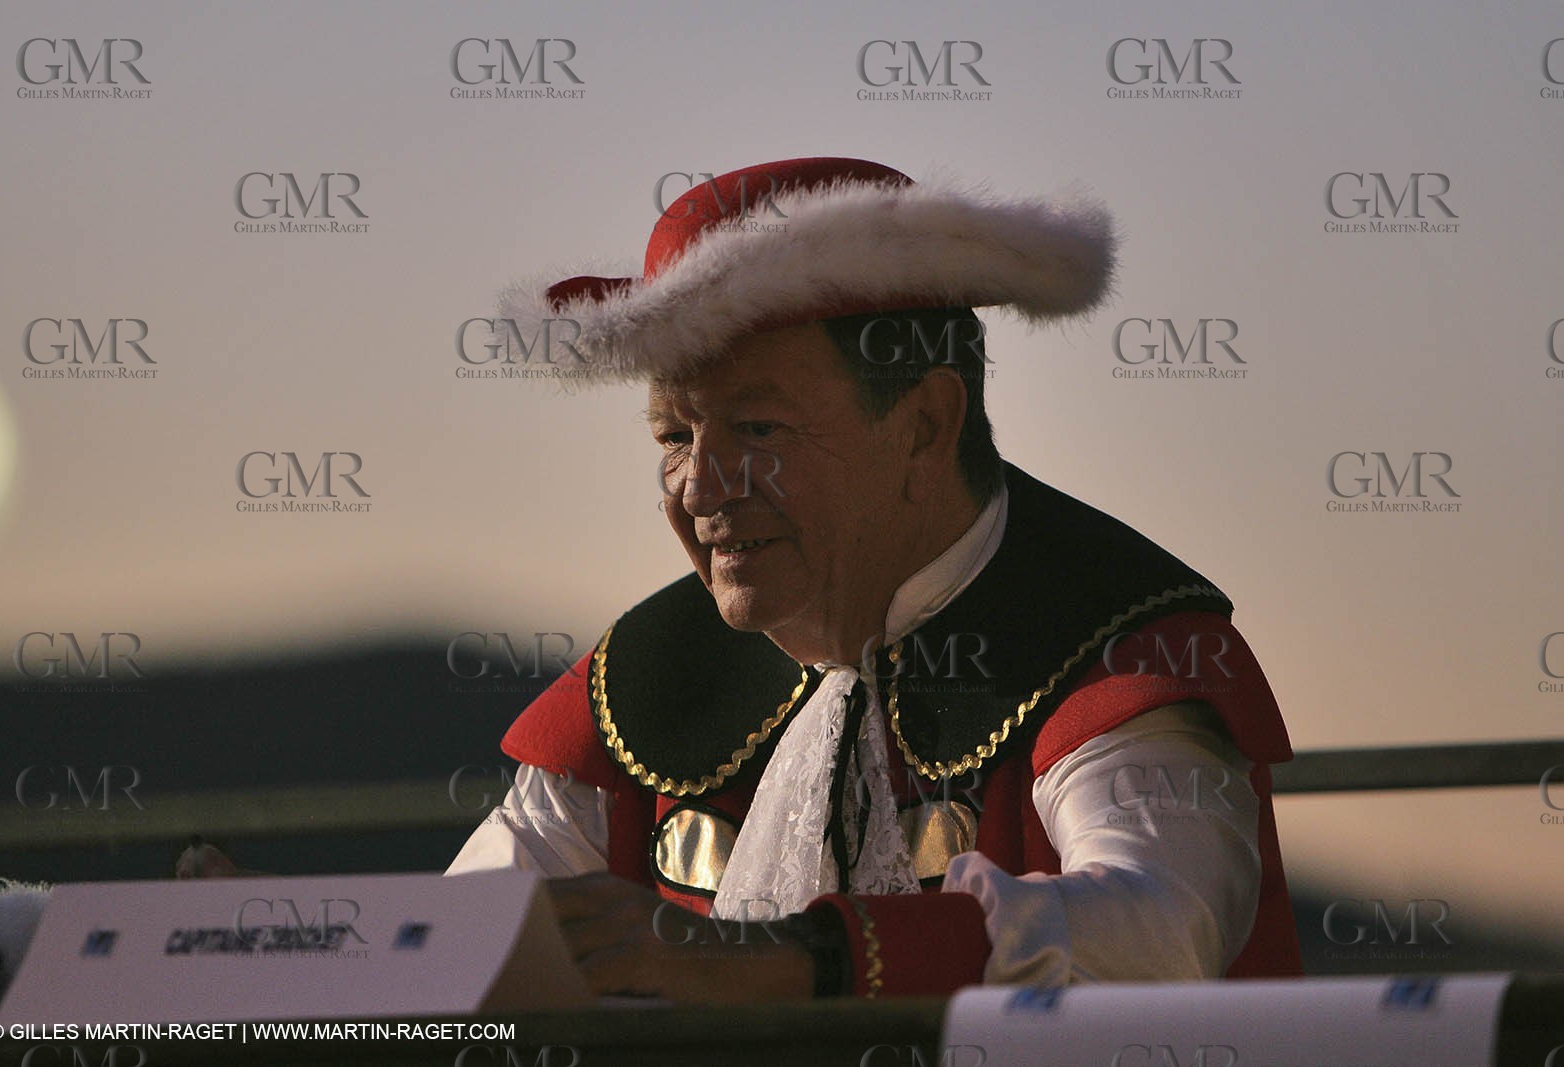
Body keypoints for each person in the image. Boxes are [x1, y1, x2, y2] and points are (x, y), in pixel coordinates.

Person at [450, 156, 1303, 1001]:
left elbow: (1157, 928)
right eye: (674, 437)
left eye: (758, 427)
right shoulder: (642, 672)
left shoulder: (1121, 646)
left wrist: (788, 960)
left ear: (926, 425)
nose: (703, 489)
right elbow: (456, 947)